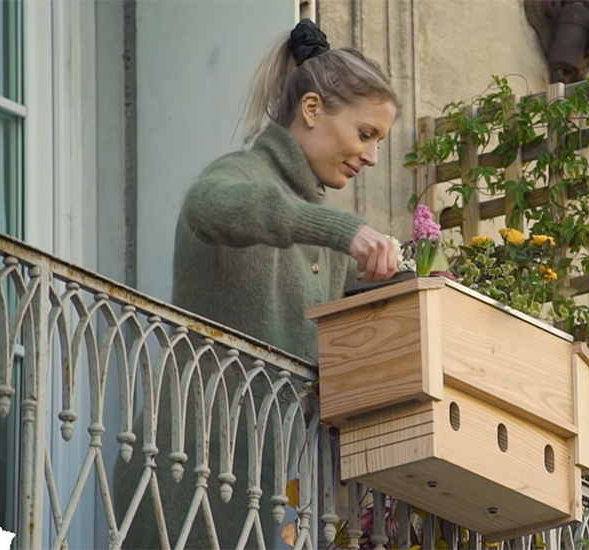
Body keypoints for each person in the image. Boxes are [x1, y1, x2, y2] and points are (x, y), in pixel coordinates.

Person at [114, 19, 399, 549]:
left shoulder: (326, 241)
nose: (372, 158)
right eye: (365, 135)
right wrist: (344, 231)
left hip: (274, 497)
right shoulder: (241, 175)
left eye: (379, 141)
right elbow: (208, 205)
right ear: (311, 110)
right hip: (188, 476)